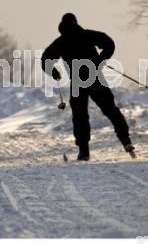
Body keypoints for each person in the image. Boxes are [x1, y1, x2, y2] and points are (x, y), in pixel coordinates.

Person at [41, 13, 136, 161]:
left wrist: (53, 71)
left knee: (80, 116)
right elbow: (109, 43)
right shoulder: (87, 34)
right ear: (76, 22)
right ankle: (126, 141)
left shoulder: (61, 41)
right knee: (110, 109)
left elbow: (46, 59)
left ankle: (84, 151)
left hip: (78, 81)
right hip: (95, 76)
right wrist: (102, 58)